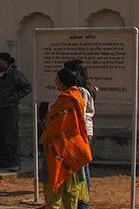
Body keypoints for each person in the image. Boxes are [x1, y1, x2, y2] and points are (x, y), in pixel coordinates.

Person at [40, 68, 92, 209]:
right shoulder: (75, 97)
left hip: (60, 149)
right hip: (72, 149)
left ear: (63, 82)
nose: (55, 81)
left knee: (55, 190)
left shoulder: (66, 100)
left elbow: (60, 126)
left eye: (57, 79)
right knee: (71, 190)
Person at [0, 51, 32, 172]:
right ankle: (3, 160)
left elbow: (27, 87)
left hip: (10, 109)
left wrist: (13, 97)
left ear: (6, 62)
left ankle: (14, 162)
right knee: (0, 136)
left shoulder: (15, 74)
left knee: (11, 136)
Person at [63, 59, 96, 209]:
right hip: (83, 131)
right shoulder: (85, 90)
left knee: (81, 170)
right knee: (81, 168)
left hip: (79, 132)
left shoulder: (80, 91)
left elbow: (77, 114)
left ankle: (83, 202)